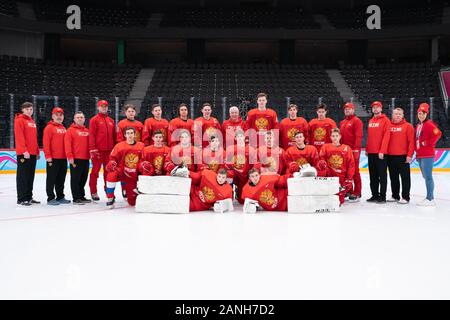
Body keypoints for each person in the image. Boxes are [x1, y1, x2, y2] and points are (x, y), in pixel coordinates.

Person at [105, 127, 145, 207]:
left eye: (131, 133)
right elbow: (112, 158)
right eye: (128, 133)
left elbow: (144, 159)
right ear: (125, 135)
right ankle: (110, 197)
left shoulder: (141, 146)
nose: (130, 135)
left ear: (134, 135)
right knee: (111, 174)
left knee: (132, 203)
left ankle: (127, 191)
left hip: (133, 174)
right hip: (121, 171)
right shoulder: (119, 146)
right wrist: (112, 162)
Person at [415, 103, 442, 206]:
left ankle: (430, 199)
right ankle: (430, 197)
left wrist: (427, 143)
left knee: (428, 176)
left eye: (423, 113)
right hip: (420, 154)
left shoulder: (430, 124)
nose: (421, 115)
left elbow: (438, 134)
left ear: (427, 114)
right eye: (419, 113)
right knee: (425, 176)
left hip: (427, 155)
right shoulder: (418, 125)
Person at [89, 100, 116, 201]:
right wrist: (93, 149)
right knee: (95, 172)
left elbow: (114, 136)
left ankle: (108, 191)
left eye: (105, 106)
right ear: (98, 107)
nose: (104, 108)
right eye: (102, 106)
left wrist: (114, 149)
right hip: (98, 151)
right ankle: (93, 191)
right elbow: (92, 135)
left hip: (109, 151)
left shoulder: (111, 121)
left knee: (108, 173)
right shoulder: (94, 120)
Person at [386, 107, 415, 204]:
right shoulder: (388, 125)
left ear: (403, 115)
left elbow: (411, 142)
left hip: (403, 157)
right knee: (393, 178)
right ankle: (395, 196)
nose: (397, 115)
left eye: (399, 114)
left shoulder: (408, 126)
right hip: (390, 156)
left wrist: (410, 155)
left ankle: (406, 197)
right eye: (395, 114)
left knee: (405, 178)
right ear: (392, 115)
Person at [319, 128, 355, 205]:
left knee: (338, 201)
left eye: (336, 136)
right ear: (330, 137)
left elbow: (351, 165)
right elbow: (321, 161)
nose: (335, 138)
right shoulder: (325, 147)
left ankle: (342, 193)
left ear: (340, 136)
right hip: (329, 177)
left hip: (342, 177)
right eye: (333, 136)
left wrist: (349, 178)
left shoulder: (346, 148)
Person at [14, 102, 40, 206]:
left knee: (30, 176)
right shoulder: (19, 120)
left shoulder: (32, 121)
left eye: (31, 109)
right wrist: (24, 150)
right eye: (27, 109)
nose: (30, 111)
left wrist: (37, 151)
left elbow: (34, 138)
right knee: (23, 176)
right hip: (24, 153)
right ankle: (21, 198)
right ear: (23, 110)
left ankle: (29, 197)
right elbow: (19, 136)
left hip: (32, 153)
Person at [43, 107, 70, 205]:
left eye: (61, 115)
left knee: (61, 179)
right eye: (57, 115)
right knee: (51, 179)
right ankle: (50, 198)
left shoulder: (63, 128)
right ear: (52, 116)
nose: (59, 117)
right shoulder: (49, 128)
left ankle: (60, 196)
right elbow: (46, 143)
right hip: (53, 158)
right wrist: (48, 156)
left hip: (63, 158)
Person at [366, 101, 391, 203]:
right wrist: (367, 149)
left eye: (377, 107)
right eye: (373, 107)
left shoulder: (385, 120)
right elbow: (370, 137)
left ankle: (382, 196)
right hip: (371, 152)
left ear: (381, 109)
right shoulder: (371, 120)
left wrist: (382, 151)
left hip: (380, 153)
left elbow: (386, 136)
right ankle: (374, 195)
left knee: (382, 175)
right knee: (373, 175)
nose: (375, 109)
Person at [64, 111, 91, 205]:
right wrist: (70, 156)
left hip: (86, 158)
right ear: (74, 119)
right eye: (78, 117)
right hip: (75, 159)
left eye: (82, 117)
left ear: (84, 119)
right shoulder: (70, 130)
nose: (80, 119)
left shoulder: (87, 131)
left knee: (83, 178)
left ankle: (81, 196)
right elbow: (67, 144)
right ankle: (76, 198)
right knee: (75, 179)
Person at [225, 129, 256, 204]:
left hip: (245, 174)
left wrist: (251, 174)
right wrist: (231, 169)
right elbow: (226, 163)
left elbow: (254, 164)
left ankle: (244, 192)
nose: (239, 138)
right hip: (235, 173)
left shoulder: (250, 149)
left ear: (244, 137)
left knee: (242, 201)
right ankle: (229, 195)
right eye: (238, 136)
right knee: (228, 174)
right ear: (235, 138)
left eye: (241, 136)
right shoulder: (230, 148)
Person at [339, 102, 364, 199]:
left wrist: (356, 150)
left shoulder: (357, 121)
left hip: (353, 150)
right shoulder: (342, 122)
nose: (347, 110)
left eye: (349, 109)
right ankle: (349, 191)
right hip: (344, 151)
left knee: (355, 172)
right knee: (346, 172)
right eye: (345, 109)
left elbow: (359, 136)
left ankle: (357, 192)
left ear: (353, 110)